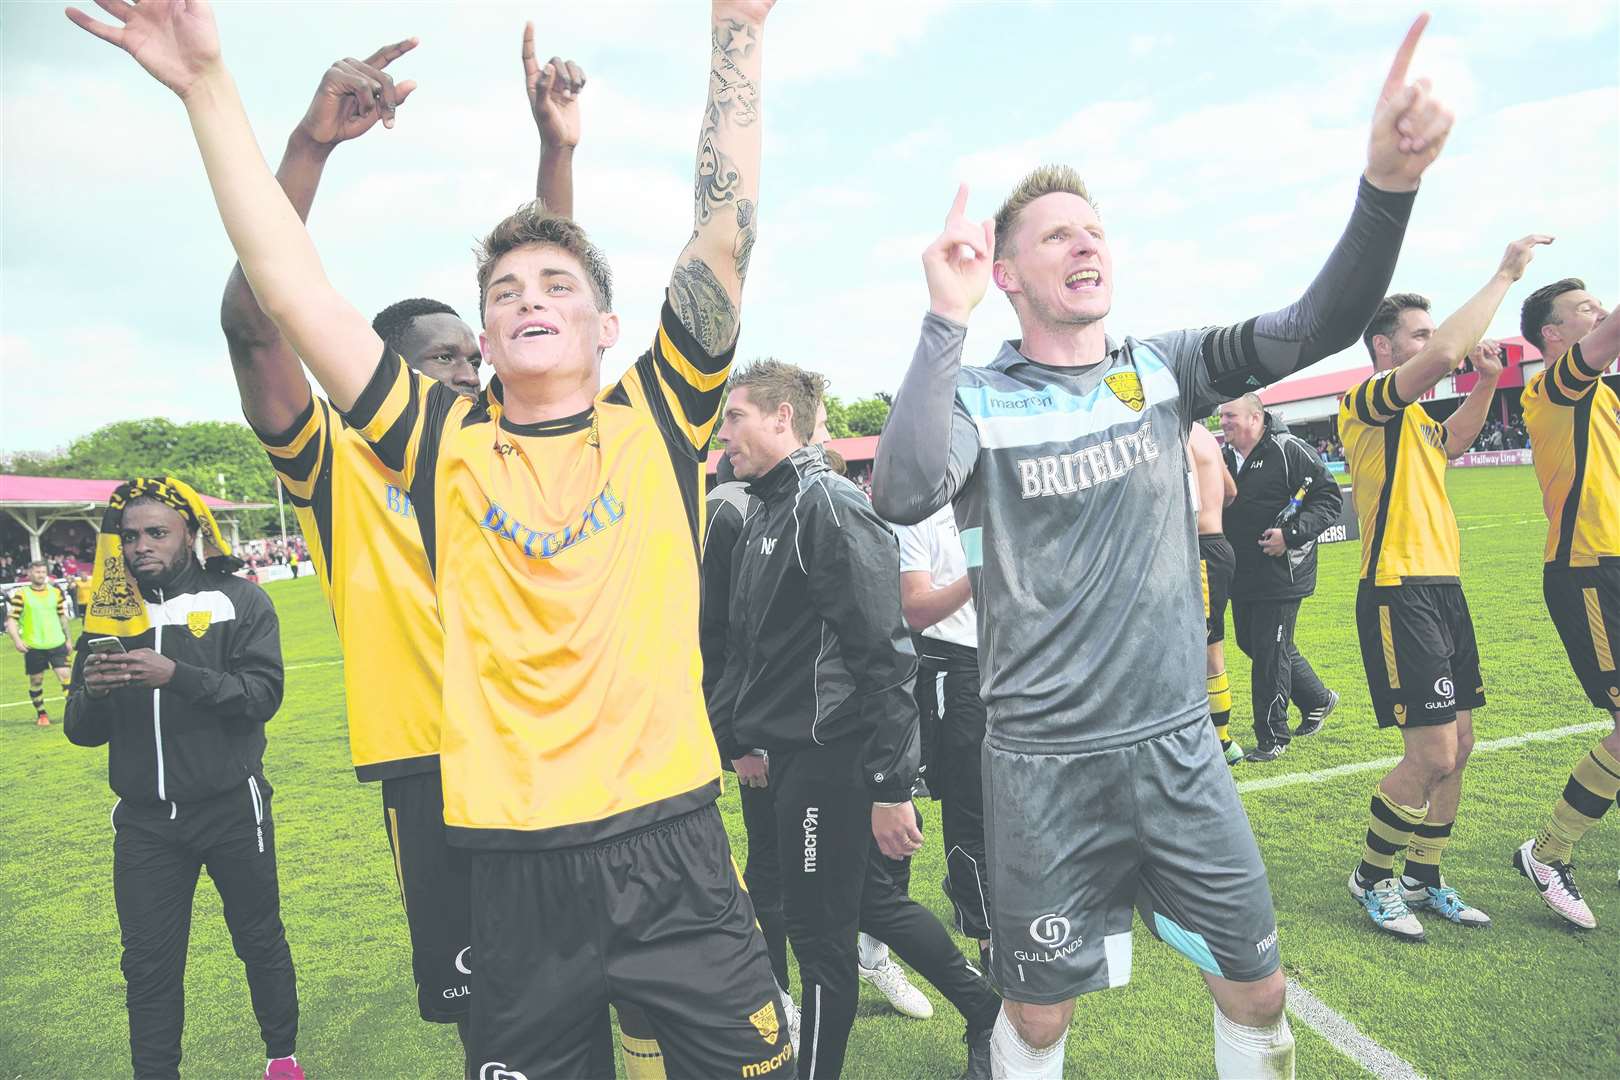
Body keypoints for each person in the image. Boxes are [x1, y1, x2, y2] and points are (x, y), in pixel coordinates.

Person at [69, 1, 790, 1074]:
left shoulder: (663, 417)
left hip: (672, 848)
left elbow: (723, 230)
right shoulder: (438, 444)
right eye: (503, 291)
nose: (527, 297)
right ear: (488, 339)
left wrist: (737, 29)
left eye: (557, 285)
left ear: (605, 326)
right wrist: (208, 88)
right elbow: (287, 287)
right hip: (509, 867)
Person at [874, 17, 1452, 1077]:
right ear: (1005, 273)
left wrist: (1386, 189)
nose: (1085, 242)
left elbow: (1315, 322)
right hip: (1042, 765)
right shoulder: (978, 396)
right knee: (1041, 1017)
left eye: (1094, 228)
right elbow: (905, 487)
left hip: (1181, 749)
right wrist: (939, 322)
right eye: (1055, 235)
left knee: (1258, 987)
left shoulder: (1167, 368)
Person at [213, 32, 652, 1075]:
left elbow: (559, 309)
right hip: (436, 772)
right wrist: (308, 154)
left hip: (566, 746)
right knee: (491, 1022)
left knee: (613, 985)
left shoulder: (515, 449)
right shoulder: (337, 463)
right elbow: (253, 327)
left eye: (474, 351)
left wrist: (558, 154)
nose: (469, 367)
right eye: (442, 358)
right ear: (381, 377)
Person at [711, 360, 999, 1079]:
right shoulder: (766, 507)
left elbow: (885, 653)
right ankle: (988, 1012)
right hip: (792, 758)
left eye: (736, 416)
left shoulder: (828, 505)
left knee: (818, 939)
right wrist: (739, 737)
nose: (725, 434)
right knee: (867, 903)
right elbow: (753, 648)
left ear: (782, 418)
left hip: (832, 760)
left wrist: (890, 785)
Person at [1338, 237, 1551, 941]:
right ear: (1383, 348)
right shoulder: (1366, 402)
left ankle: (1423, 877)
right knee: (1428, 753)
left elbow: (1453, 443)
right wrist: (1504, 276)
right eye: (1418, 334)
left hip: (1444, 587)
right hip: (1398, 589)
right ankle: (1371, 879)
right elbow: (1441, 360)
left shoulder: (1417, 420)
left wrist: (1487, 384)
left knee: (1460, 744)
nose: (1433, 344)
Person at [63, 477, 300, 1080]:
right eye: (130, 535)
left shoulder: (239, 600)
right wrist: (91, 692)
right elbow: (81, 731)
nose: (141, 545)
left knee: (258, 940)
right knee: (147, 965)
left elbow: (261, 696)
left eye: (157, 532)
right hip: (146, 824)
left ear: (190, 534)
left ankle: (282, 1058)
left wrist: (179, 675)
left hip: (230, 810)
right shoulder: (108, 617)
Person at [1512, 279, 1620, 927]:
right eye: (1585, 310)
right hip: (1586, 574)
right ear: (1554, 337)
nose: (1599, 313)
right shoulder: (1554, 386)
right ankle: (1547, 854)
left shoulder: (1604, 396)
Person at [893, 499, 998, 961]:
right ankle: (986, 934)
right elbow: (914, 609)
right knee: (970, 805)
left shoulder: (1005, 491)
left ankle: (983, 900)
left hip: (1019, 662)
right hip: (956, 670)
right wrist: (978, 577)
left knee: (1020, 800)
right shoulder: (921, 514)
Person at [1217, 393, 1343, 762]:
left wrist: (1290, 536)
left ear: (1255, 418)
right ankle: (1318, 698)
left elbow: (1329, 499)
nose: (1222, 422)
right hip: (1241, 573)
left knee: (1271, 653)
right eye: (1221, 416)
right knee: (1254, 644)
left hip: (1283, 572)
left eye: (1230, 415)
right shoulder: (1223, 457)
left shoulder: (1290, 450)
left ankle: (1273, 737)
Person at [1186, 423, 1244, 765]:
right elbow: (1231, 490)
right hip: (1218, 545)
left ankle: (1220, 742)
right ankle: (1217, 738)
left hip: (1201, 550)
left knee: (1207, 653)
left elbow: (1188, 503)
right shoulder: (1204, 434)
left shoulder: (1180, 432)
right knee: (1210, 648)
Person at [6, 559, 73, 725]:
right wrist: (17, 640)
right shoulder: (21, 594)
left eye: (43, 572)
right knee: (36, 681)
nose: (40, 575)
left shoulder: (55, 592)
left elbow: (61, 617)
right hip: (34, 645)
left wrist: (68, 639)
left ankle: (72, 713)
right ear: (29, 574)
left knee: (66, 677)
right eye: (37, 572)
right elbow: (11, 620)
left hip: (56, 642)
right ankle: (42, 714)